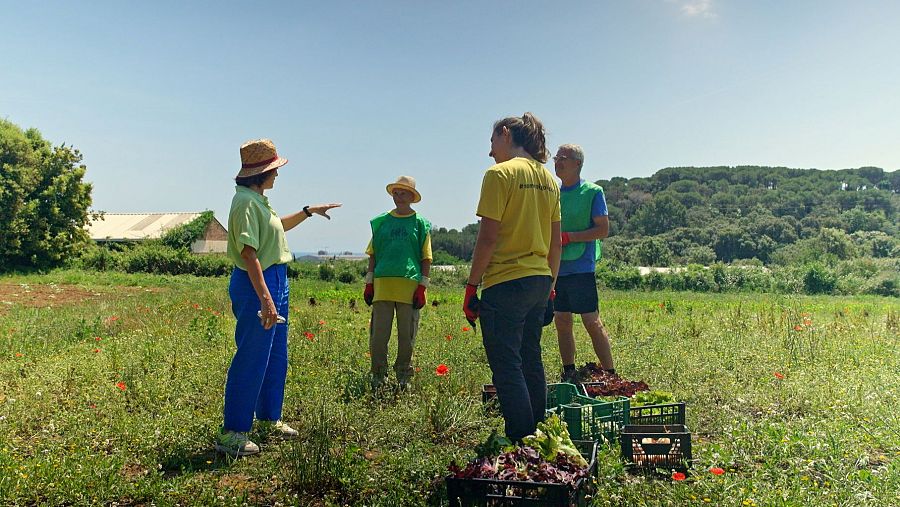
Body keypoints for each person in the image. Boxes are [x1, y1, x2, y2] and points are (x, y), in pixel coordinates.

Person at [217, 138, 341, 457]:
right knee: (252, 355)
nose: (278, 173)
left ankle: (269, 418)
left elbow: (278, 228)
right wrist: (266, 298)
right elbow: (249, 254)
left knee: (275, 355)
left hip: (276, 279)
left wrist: (307, 212)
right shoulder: (245, 203)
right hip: (256, 283)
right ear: (260, 172)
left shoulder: (258, 200)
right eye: (274, 168)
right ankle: (233, 432)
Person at [463, 113, 561, 443]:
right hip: (539, 281)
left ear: (505, 134)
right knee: (531, 359)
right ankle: (540, 437)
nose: (490, 151)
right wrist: (551, 287)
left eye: (492, 141)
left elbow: (488, 237)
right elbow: (555, 242)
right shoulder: (549, 180)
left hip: (505, 282)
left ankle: (521, 440)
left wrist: (471, 286)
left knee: (507, 365)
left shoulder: (499, 174)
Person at [551, 144, 615, 384]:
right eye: (556, 158)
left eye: (563, 158)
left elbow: (603, 229)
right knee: (561, 320)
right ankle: (569, 371)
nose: (557, 162)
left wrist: (569, 237)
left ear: (577, 163)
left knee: (591, 321)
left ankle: (611, 374)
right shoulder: (552, 193)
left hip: (581, 268)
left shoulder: (593, 192)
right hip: (557, 267)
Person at [363, 175, 432, 390]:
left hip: (409, 287)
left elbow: (426, 258)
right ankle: (378, 376)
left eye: (403, 193)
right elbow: (373, 254)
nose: (399, 197)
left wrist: (422, 286)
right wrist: (369, 282)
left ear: (412, 197)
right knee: (378, 336)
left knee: (406, 336)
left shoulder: (420, 224)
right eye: (396, 193)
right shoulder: (381, 222)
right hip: (382, 285)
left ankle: (403, 377)